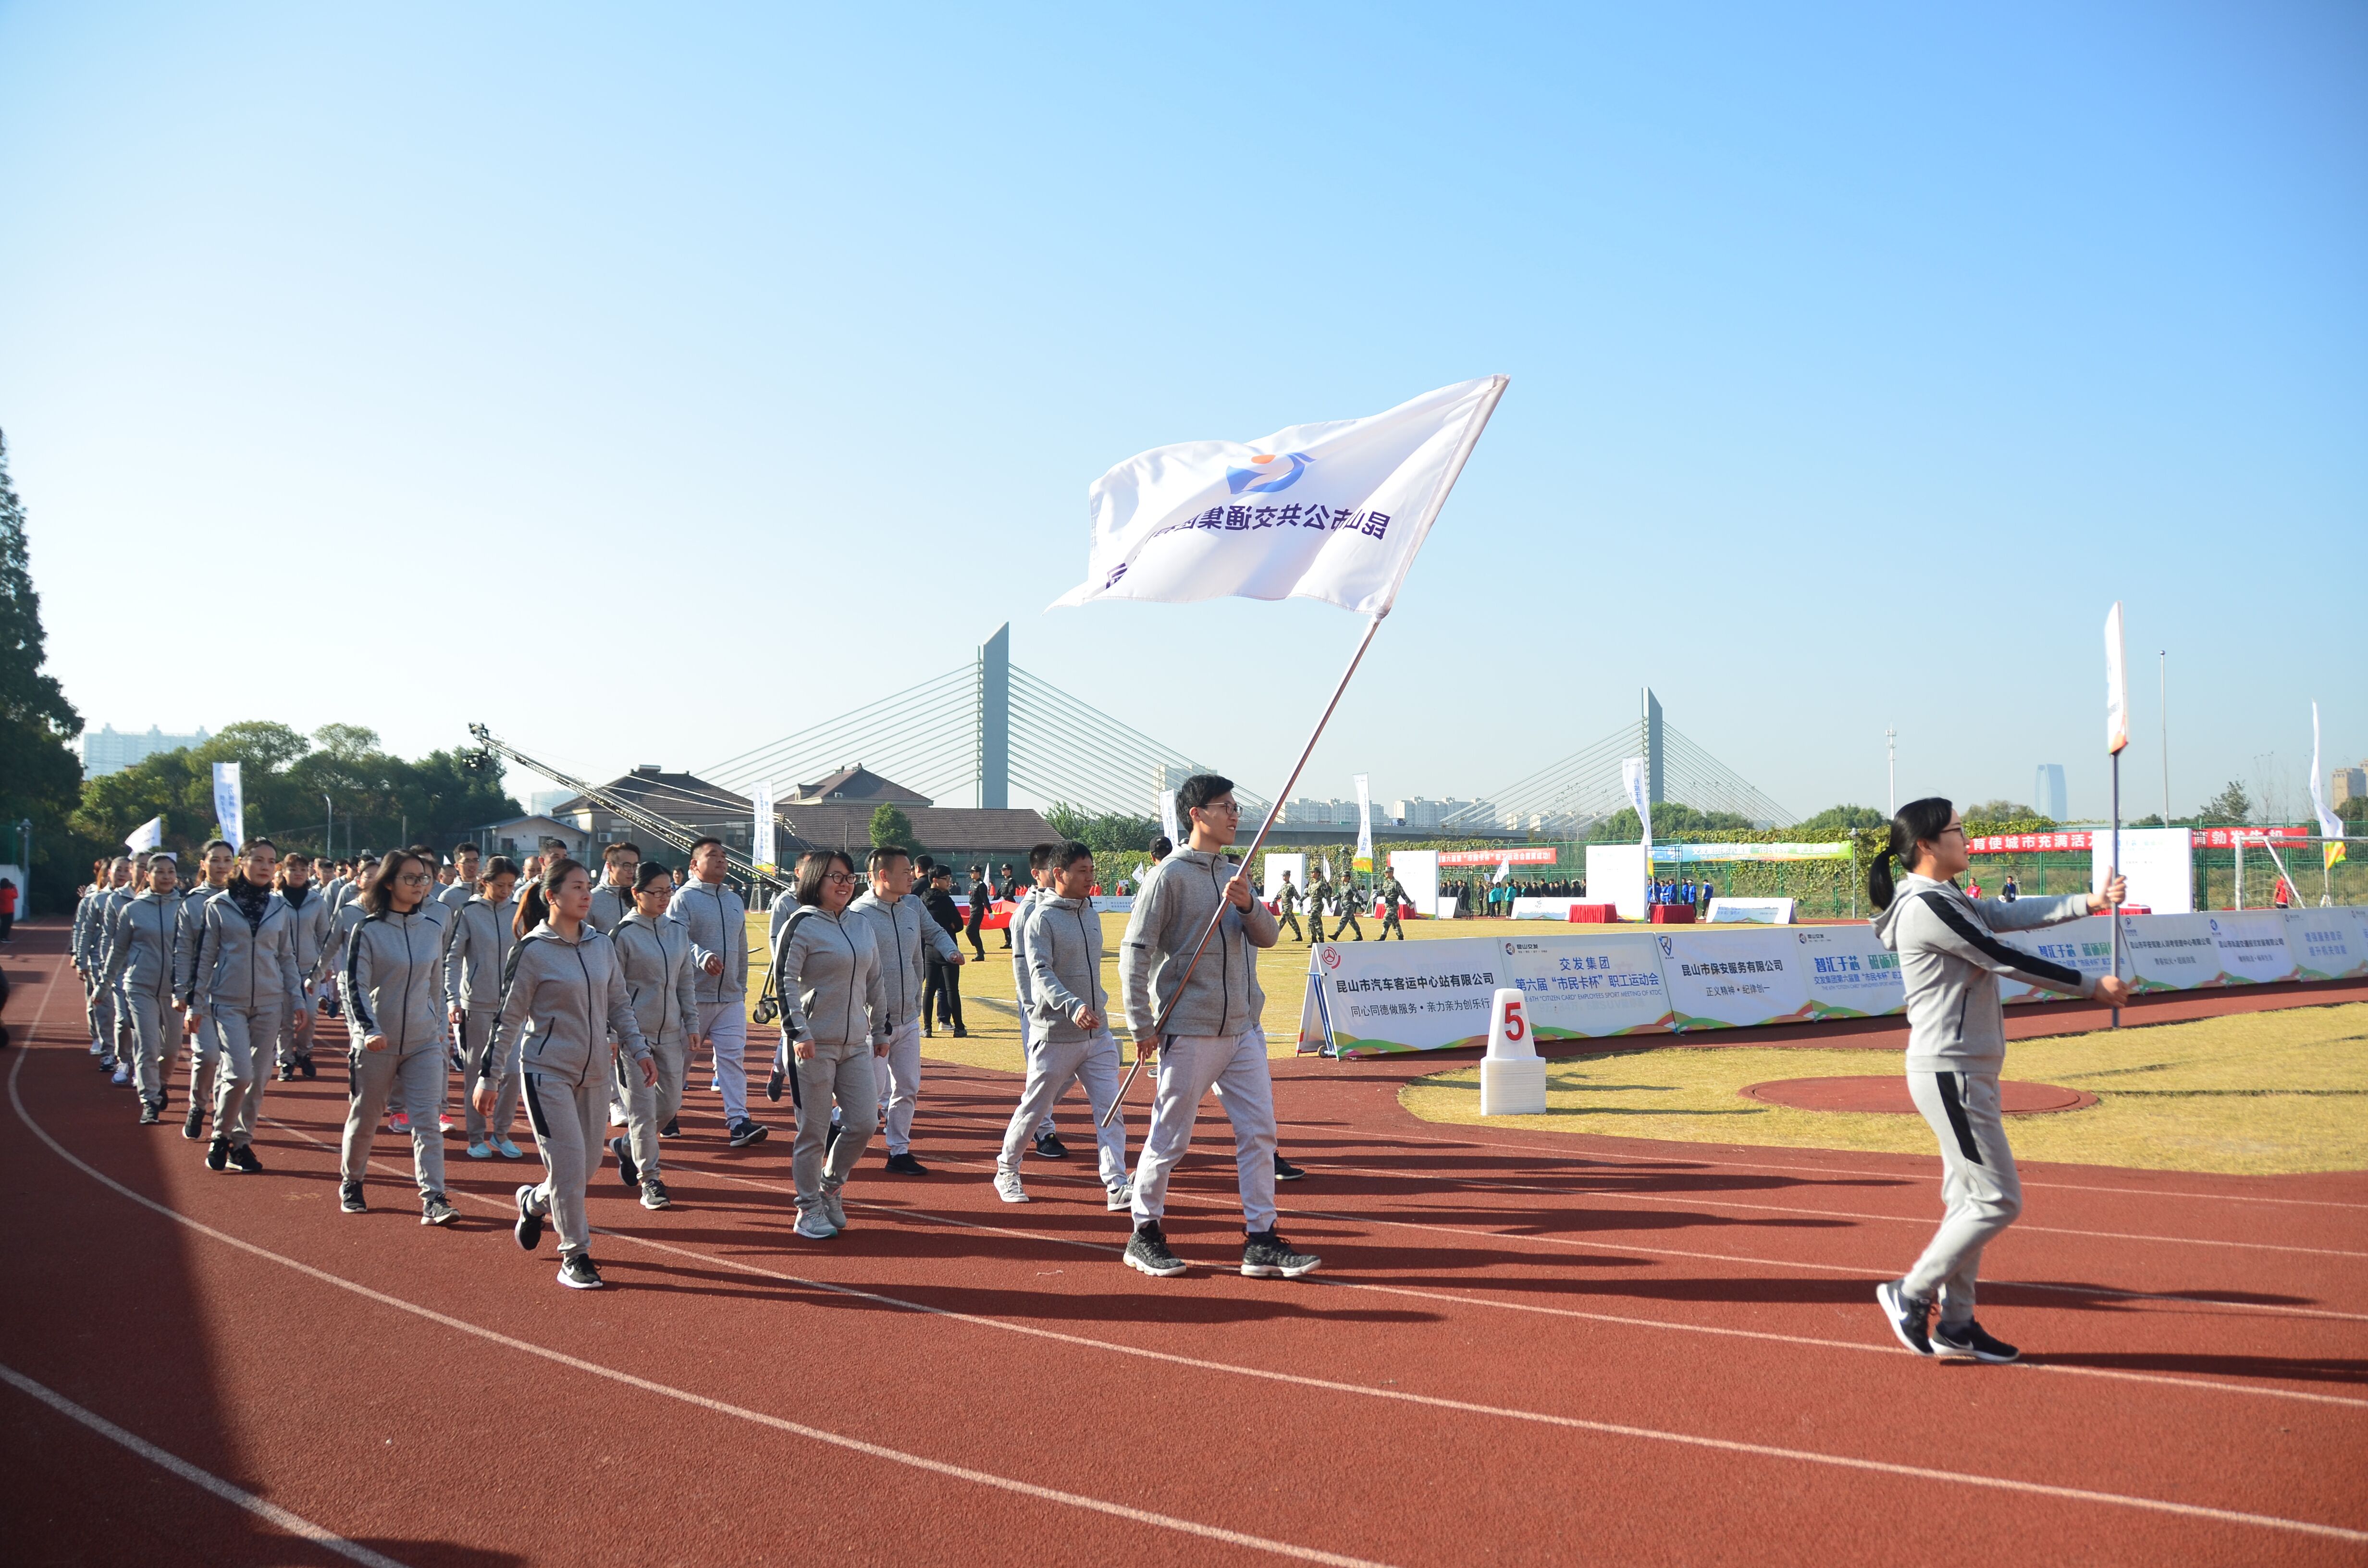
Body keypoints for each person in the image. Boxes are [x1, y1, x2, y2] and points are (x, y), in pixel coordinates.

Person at [1868, 797, 2129, 1363]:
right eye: (1958, 832)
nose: (1967, 840)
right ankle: (1909, 1292)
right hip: (1949, 1068)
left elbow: (2003, 916)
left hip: (1965, 1066)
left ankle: (1956, 1326)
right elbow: (1995, 953)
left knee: (1969, 1198)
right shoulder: (1923, 906)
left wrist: (2087, 901)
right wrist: (2090, 986)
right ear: (1926, 846)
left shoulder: (1946, 897)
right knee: (1997, 1199)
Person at [1117, 773, 1317, 1281]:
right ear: (1196, 814)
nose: (1234, 815)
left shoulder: (1236, 872)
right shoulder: (1168, 877)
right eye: (1224, 806)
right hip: (1190, 1028)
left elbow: (1268, 937)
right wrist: (1141, 1025)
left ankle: (1261, 1240)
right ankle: (1144, 1233)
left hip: (1244, 1028)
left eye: (1235, 807)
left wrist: (1248, 905)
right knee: (1170, 1137)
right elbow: (1134, 954)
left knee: (1259, 1134)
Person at [487, 858, 656, 1289]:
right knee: (566, 1164)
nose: (586, 895)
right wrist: (490, 1076)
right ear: (552, 897)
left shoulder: (601, 945)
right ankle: (575, 1254)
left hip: (597, 1070)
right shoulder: (531, 951)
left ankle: (533, 1202)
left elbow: (619, 1004)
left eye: (587, 887)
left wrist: (640, 1051)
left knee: (586, 1166)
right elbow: (507, 1018)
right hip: (547, 1071)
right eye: (577, 888)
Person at [996, 840, 1132, 1208]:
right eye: (1083, 871)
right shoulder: (1041, 918)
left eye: (1092, 870)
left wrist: (1094, 1008)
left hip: (1097, 1034)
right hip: (1055, 1033)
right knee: (1035, 1108)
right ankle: (1007, 1169)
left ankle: (1116, 1183)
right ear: (1060, 874)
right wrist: (1071, 1007)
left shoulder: (1090, 912)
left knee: (1110, 1108)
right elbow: (1039, 972)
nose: (1091, 878)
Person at [336, 851, 460, 1225]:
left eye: (424, 878)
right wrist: (368, 1029)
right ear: (389, 883)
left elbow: (436, 986)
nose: (420, 885)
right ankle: (352, 1181)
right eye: (411, 878)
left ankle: (434, 1198)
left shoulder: (432, 929)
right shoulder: (368, 930)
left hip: (423, 1042)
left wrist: (439, 1031)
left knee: (427, 1120)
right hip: (377, 1042)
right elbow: (353, 985)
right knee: (366, 1116)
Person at [769, 849, 888, 1240]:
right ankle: (807, 1211)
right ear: (815, 880)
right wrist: (798, 1032)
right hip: (812, 1046)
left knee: (865, 1122)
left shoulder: (860, 924)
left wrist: (881, 1029)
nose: (845, 884)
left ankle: (831, 1186)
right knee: (813, 1132)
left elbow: (875, 980)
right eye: (836, 877)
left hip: (855, 1042)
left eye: (849, 877)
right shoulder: (799, 924)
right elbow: (783, 981)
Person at [185, 839, 307, 1174]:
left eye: (272, 861)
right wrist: (194, 1005)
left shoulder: (279, 908)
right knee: (239, 1073)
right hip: (228, 1001)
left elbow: (286, 957)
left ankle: (241, 1143)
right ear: (243, 862)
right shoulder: (219, 905)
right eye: (258, 860)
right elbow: (205, 957)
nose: (266, 867)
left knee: (259, 1078)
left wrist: (296, 998)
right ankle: (220, 1135)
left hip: (270, 1003)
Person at [847, 845, 964, 1174]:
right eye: (905, 872)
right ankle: (839, 1123)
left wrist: (950, 951)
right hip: (872, 1022)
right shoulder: (858, 914)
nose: (912, 877)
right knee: (869, 1097)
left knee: (908, 1087)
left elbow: (935, 932)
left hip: (909, 1016)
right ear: (883, 875)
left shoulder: (912, 906)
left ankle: (899, 1151)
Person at [608, 859, 701, 1209]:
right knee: (644, 1113)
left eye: (668, 891)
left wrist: (691, 1023)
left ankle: (628, 1146)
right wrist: (613, 1035)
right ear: (637, 894)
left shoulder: (676, 931)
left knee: (672, 1102)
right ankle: (651, 1179)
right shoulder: (623, 935)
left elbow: (685, 983)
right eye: (657, 892)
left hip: (671, 1033)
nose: (664, 898)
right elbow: (612, 991)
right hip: (634, 1038)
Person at [669, 836, 767, 1147]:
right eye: (714, 855)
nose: (722, 860)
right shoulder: (683, 899)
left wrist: (741, 987)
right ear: (694, 865)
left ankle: (739, 1122)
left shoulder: (734, 899)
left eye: (724, 856)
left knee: (732, 1060)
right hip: (693, 998)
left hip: (730, 1000)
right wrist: (702, 956)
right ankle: (666, 1111)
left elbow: (740, 948)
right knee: (679, 1062)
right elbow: (676, 938)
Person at [444, 855, 524, 1160]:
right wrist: (453, 999)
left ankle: (501, 1134)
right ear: (485, 882)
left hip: (512, 1006)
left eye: (510, 885)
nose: (506, 891)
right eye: (500, 885)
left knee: (512, 1073)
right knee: (476, 1073)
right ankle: (476, 1136)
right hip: (475, 1005)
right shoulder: (468, 912)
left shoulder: (518, 913)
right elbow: (452, 957)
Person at [99, 853, 184, 1124]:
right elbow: (118, 950)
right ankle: (149, 1101)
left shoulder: (184, 908)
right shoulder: (133, 909)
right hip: (139, 986)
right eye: (160, 872)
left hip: (174, 990)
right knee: (148, 1045)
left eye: (171, 872)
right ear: (148, 876)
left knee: (171, 1050)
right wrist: (103, 986)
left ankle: (160, 1083)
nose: (167, 876)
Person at [1008, 842, 1069, 1158]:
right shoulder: (1026, 913)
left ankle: (1035, 1116)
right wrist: (1032, 1006)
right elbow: (1023, 967)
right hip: (1037, 1007)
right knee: (1041, 1071)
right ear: (1038, 874)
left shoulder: (1068, 906)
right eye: (1055, 868)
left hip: (1069, 1005)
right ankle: (1043, 1131)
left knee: (1092, 1059)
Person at [175, 841, 238, 1139]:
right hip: (202, 993)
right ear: (203, 864)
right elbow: (183, 951)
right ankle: (198, 1105)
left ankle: (221, 1122)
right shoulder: (192, 903)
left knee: (232, 1064)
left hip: (237, 993)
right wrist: (182, 992)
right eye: (215, 860)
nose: (222, 866)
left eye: (228, 860)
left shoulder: (244, 898)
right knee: (209, 1055)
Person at [274, 851, 330, 1080]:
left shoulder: (316, 900)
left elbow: (324, 934)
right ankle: (286, 1060)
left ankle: (305, 1053)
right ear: (283, 872)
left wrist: (325, 966)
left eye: (302, 869)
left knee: (309, 1014)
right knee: (284, 1018)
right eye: (292, 869)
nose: (297, 873)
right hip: (279, 969)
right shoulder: (274, 900)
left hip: (310, 969)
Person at [921, 865, 968, 1037]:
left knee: (930, 988)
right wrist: (949, 926)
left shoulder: (922, 899)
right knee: (951, 989)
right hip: (948, 946)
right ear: (935, 880)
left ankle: (927, 1027)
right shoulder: (946, 900)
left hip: (929, 948)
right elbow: (959, 925)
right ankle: (959, 1027)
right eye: (946, 879)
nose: (949, 882)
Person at [587, 841, 640, 933]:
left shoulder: (642, 896)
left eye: (635, 866)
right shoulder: (592, 899)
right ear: (610, 867)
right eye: (626, 866)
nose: (632, 871)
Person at [963, 864, 990, 960]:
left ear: (978, 873)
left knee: (969, 931)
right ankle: (980, 953)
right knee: (975, 931)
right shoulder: (972, 884)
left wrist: (990, 911)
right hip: (972, 909)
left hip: (978, 910)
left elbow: (985, 899)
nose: (971, 874)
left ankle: (980, 951)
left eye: (973, 872)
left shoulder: (981, 885)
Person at [1331, 878, 1364, 942]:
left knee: (1343, 919)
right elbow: (1339, 894)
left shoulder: (1351, 886)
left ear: (1347, 877)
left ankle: (1336, 934)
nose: (1342, 878)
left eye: (1343, 876)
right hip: (1344, 906)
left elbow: (1356, 894)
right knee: (1352, 922)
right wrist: (1333, 899)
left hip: (1349, 906)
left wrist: (1362, 903)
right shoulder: (1343, 887)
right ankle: (1359, 935)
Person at [1273, 870, 1304, 942]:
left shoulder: (1291, 886)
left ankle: (1274, 935)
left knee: (1282, 920)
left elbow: (1296, 895)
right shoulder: (1283, 886)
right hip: (1284, 906)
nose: (1283, 877)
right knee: (1292, 921)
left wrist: (1301, 902)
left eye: (1285, 876)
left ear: (1288, 876)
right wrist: (1274, 901)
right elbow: (1279, 895)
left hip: (1288, 905)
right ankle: (1299, 935)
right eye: (1283, 876)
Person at [1305, 865, 1330, 944]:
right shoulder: (1311, 884)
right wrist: (1301, 900)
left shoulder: (1321, 884)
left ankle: (1314, 939)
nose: (1312, 874)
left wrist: (1330, 905)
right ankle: (1321, 938)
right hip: (1313, 904)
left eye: (1313, 872)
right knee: (1318, 922)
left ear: (1318, 874)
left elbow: (1327, 895)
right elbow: (1307, 894)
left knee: (1311, 921)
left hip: (1318, 904)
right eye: (1312, 873)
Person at [1379, 873, 1408, 940]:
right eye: (1385, 872)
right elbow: (1383, 892)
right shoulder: (1386, 883)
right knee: (1395, 923)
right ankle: (1401, 937)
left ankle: (1383, 937)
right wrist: (1377, 894)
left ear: (1391, 873)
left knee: (1386, 921)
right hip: (1388, 905)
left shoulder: (1396, 883)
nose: (1386, 874)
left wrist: (1409, 903)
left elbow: (1403, 893)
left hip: (1393, 906)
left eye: (1387, 872)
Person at [0, 873, 16, 942]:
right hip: (9, 911)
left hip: (2, 910)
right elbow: (16, 895)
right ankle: (4, 937)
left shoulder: (1, 892)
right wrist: (14, 888)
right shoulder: (9, 892)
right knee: (7, 925)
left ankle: (2, 937)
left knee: (3, 924)